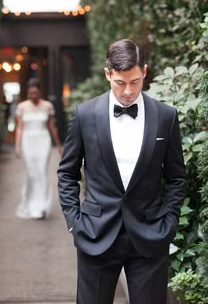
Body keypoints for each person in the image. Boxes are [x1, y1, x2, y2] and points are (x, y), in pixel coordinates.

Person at [57, 39, 187, 304]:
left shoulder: (165, 117)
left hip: (150, 234)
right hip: (95, 233)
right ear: (108, 74)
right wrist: (75, 223)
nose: (128, 91)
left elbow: (176, 177)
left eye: (135, 81)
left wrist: (170, 220)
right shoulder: (84, 115)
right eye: (120, 82)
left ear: (145, 72)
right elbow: (67, 173)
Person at [15, 77, 62, 220]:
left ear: (39, 92)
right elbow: (19, 128)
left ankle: (42, 206)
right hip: (27, 141)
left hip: (43, 140)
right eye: (31, 94)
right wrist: (17, 146)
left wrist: (59, 145)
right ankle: (30, 204)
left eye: (36, 93)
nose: (33, 96)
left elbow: (52, 127)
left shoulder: (47, 106)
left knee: (41, 171)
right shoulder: (22, 107)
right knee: (31, 173)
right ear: (28, 93)